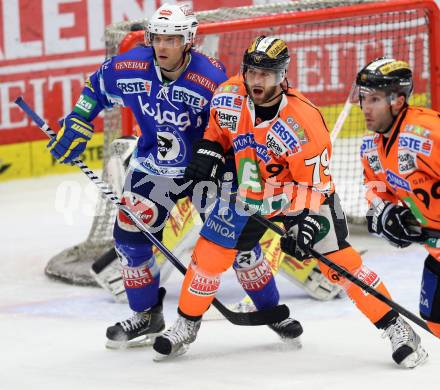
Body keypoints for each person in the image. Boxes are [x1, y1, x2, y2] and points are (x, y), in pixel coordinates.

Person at [152, 36, 428, 368]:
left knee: (341, 267)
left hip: (302, 197)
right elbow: (217, 131)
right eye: (251, 72)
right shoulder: (227, 96)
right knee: (208, 256)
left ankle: (397, 327)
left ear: (283, 76)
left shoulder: (304, 123)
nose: (256, 81)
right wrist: (209, 151)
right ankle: (186, 324)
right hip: (248, 194)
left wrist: (304, 223)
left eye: (265, 74)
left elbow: (317, 187)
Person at [47, 3, 228, 348]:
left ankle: (269, 310)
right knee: (130, 240)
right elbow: (96, 86)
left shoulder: (212, 77)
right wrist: (78, 119)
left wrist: (224, 161)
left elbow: (231, 122)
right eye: (158, 37)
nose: (162, 46)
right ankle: (147, 315)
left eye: (172, 39)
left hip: (205, 168)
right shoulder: (131, 65)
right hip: (154, 167)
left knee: (231, 238)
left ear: (188, 41)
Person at [355, 57, 440, 339]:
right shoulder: (371, 148)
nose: (366, 108)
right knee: (435, 323)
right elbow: (374, 190)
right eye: (363, 98)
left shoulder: (427, 134)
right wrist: (386, 214)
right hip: (436, 251)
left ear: (398, 101)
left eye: (375, 99)